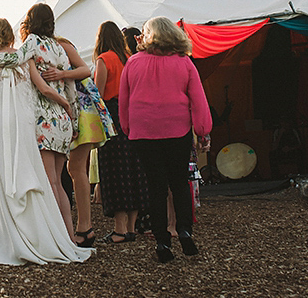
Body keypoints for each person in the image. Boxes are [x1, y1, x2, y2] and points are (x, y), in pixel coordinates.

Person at [0, 17, 92, 266]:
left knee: (7, 178)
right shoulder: (23, 56)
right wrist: (65, 104)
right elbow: (44, 88)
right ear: (10, 35)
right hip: (25, 123)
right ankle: (43, 234)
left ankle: (14, 238)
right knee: (30, 175)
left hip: (1, 124)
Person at [119, 16, 212, 262]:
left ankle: (162, 241)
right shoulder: (184, 63)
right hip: (177, 130)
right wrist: (203, 131)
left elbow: (124, 100)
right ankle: (183, 230)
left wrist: (128, 128)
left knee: (155, 187)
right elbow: (198, 99)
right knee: (179, 183)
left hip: (144, 132)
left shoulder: (133, 63)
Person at [21, 3, 82, 240]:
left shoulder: (32, 44)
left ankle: (56, 237)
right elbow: (70, 87)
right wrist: (73, 117)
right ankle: (68, 233)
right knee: (58, 181)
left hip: (45, 118)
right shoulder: (59, 47)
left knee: (50, 182)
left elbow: (41, 86)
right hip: (63, 121)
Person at [54, 35, 111, 247]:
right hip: (78, 111)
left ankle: (85, 227)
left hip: (82, 111)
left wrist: (62, 74)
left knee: (77, 168)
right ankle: (83, 226)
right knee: (75, 169)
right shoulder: (55, 45)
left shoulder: (62, 44)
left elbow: (85, 70)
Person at [93, 21, 146, 243]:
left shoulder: (104, 60)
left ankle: (119, 229)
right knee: (133, 170)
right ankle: (132, 227)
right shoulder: (129, 58)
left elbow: (98, 95)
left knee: (115, 172)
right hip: (133, 114)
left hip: (112, 116)